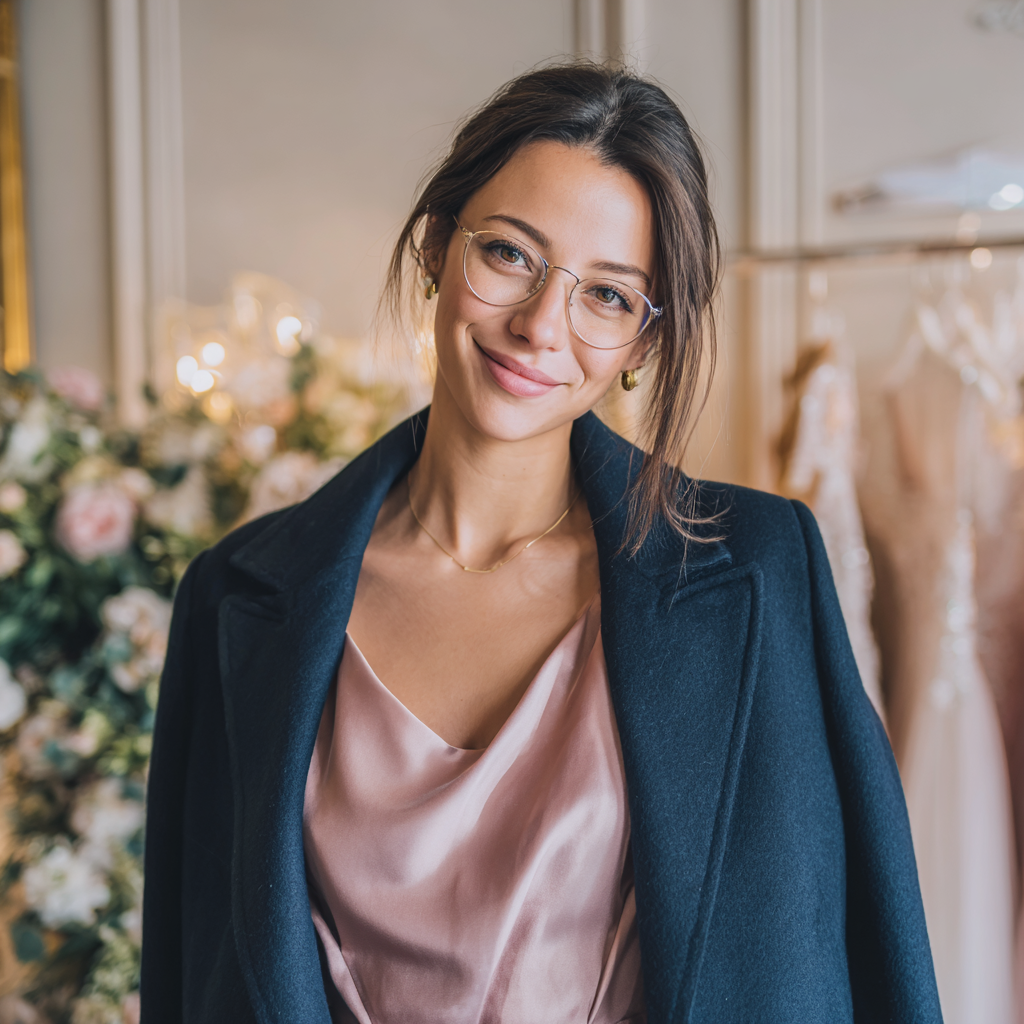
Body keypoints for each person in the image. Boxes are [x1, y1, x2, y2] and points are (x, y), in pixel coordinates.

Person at [140, 63, 941, 1024]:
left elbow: (858, 948)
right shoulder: (235, 594)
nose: (538, 328)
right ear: (439, 245)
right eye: (511, 254)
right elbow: (189, 974)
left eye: (607, 296)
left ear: (644, 344)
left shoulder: (760, 572)